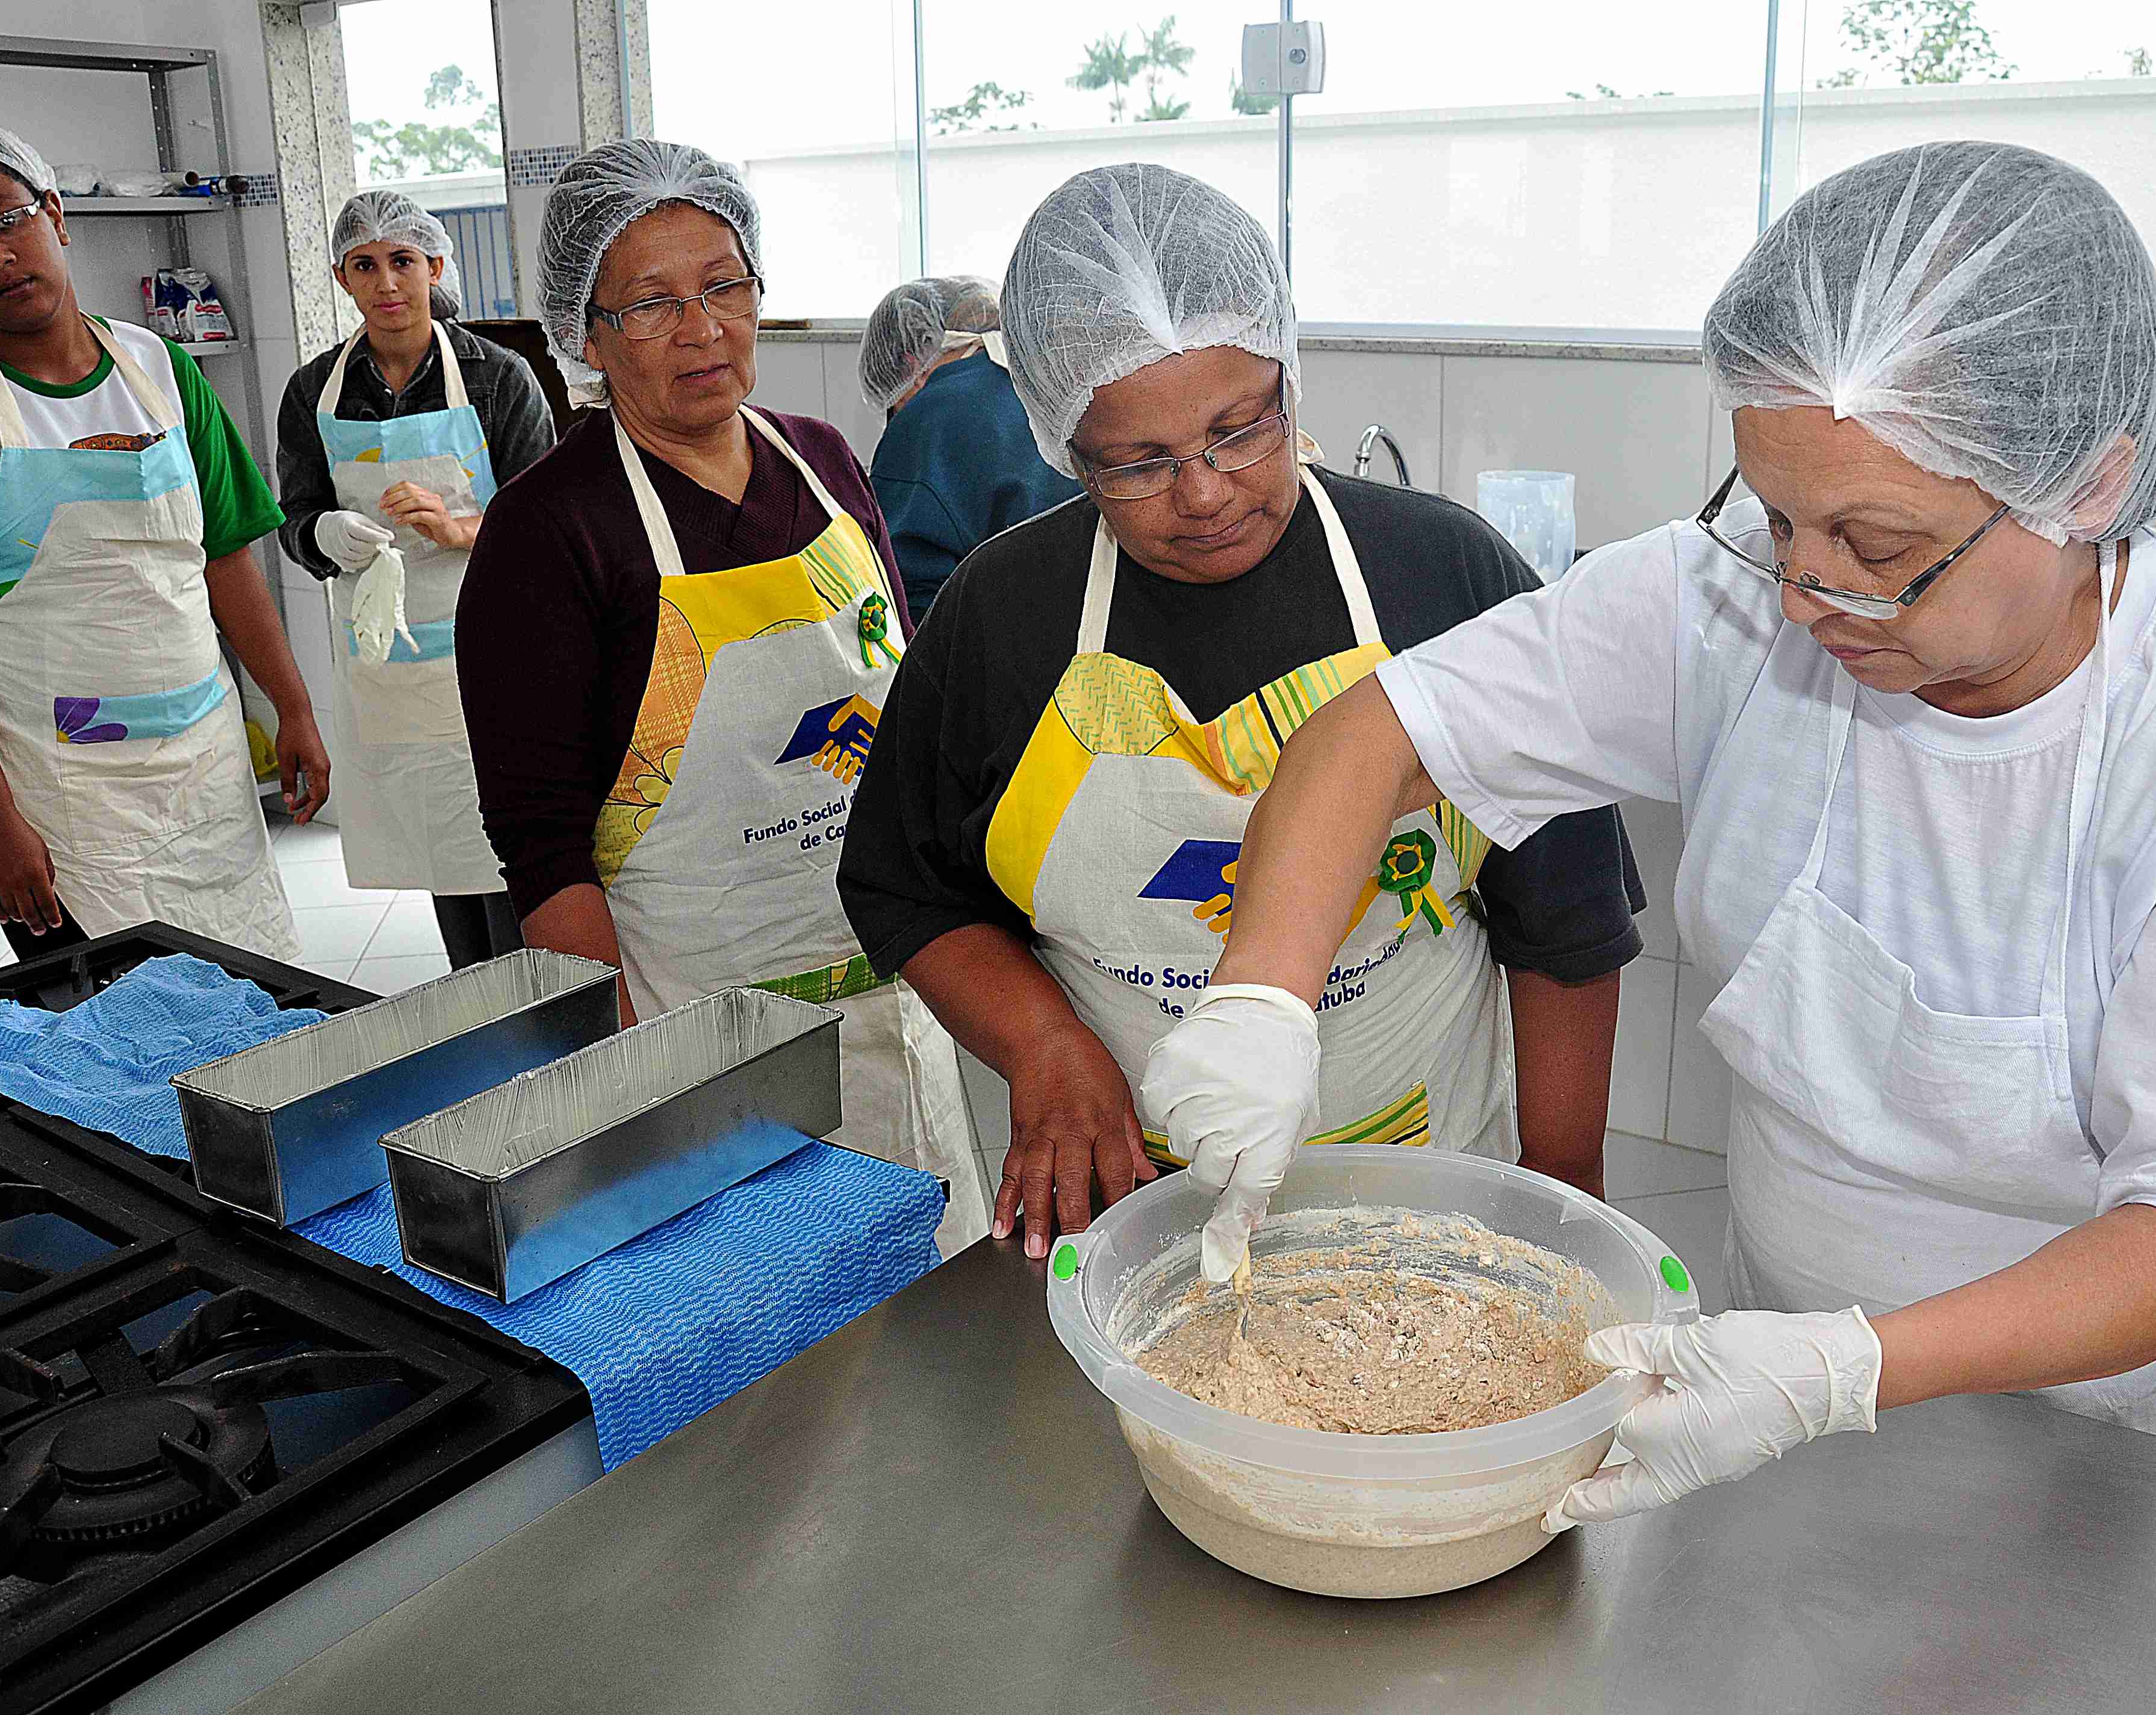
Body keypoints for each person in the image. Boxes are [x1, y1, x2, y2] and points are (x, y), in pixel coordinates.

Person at [1142, 142, 2156, 1522]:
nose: (1802, 590)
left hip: (2097, 1475)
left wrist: (1839, 1367)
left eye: (1871, 538)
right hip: (1771, 1417)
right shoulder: (1733, 595)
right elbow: (1377, 733)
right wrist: (1258, 997)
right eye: (1777, 513)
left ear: (2084, 487)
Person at [839, 164, 1644, 1263]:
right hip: (1126, 1212)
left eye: (1239, 427)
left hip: (1425, 1190)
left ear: (1288, 373)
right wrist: (1044, 1044)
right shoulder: (1003, 613)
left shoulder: (1442, 574)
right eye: (1138, 463)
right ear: (1059, 446)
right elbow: (903, 882)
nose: (1205, 491)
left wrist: (1563, 1194)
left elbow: (1563, 916)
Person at [458, 139, 986, 1259]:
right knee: (776, 1353)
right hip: (706, 1035)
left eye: (722, 286)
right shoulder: (549, 530)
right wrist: (631, 1081)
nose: (701, 330)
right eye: (649, 304)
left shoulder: (827, 464)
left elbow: (911, 728)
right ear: (585, 335)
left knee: (931, 1307)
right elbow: (543, 852)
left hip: (895, 994)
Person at [0, 116, 325, 963]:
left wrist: (292, 705)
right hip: (64, 801)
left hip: (205, 772)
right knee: (127, 1049)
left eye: (6, 219)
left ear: (56, 215)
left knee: (258, 1007)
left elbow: (224, 557)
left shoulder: (159, 367)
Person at [277, 190, 555, 969]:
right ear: (342, 278)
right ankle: (480, 1014)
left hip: (493, 662)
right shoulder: (314, 393)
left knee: (511, 857)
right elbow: (295, 526)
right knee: (442, 859)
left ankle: (540, 1020)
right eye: (365, 265)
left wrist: (461, 526)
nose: (387, 283)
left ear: (434, 266)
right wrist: (325, 533)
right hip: (391, 673)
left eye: (402, 261)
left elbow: (547, 535)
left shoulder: (498, 379)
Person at [857, 275, 1077, 617]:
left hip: (1003, 643)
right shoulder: (1058, 378)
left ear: (912, 361)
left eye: (894, 403)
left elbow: (900, 591)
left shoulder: (926, 421)